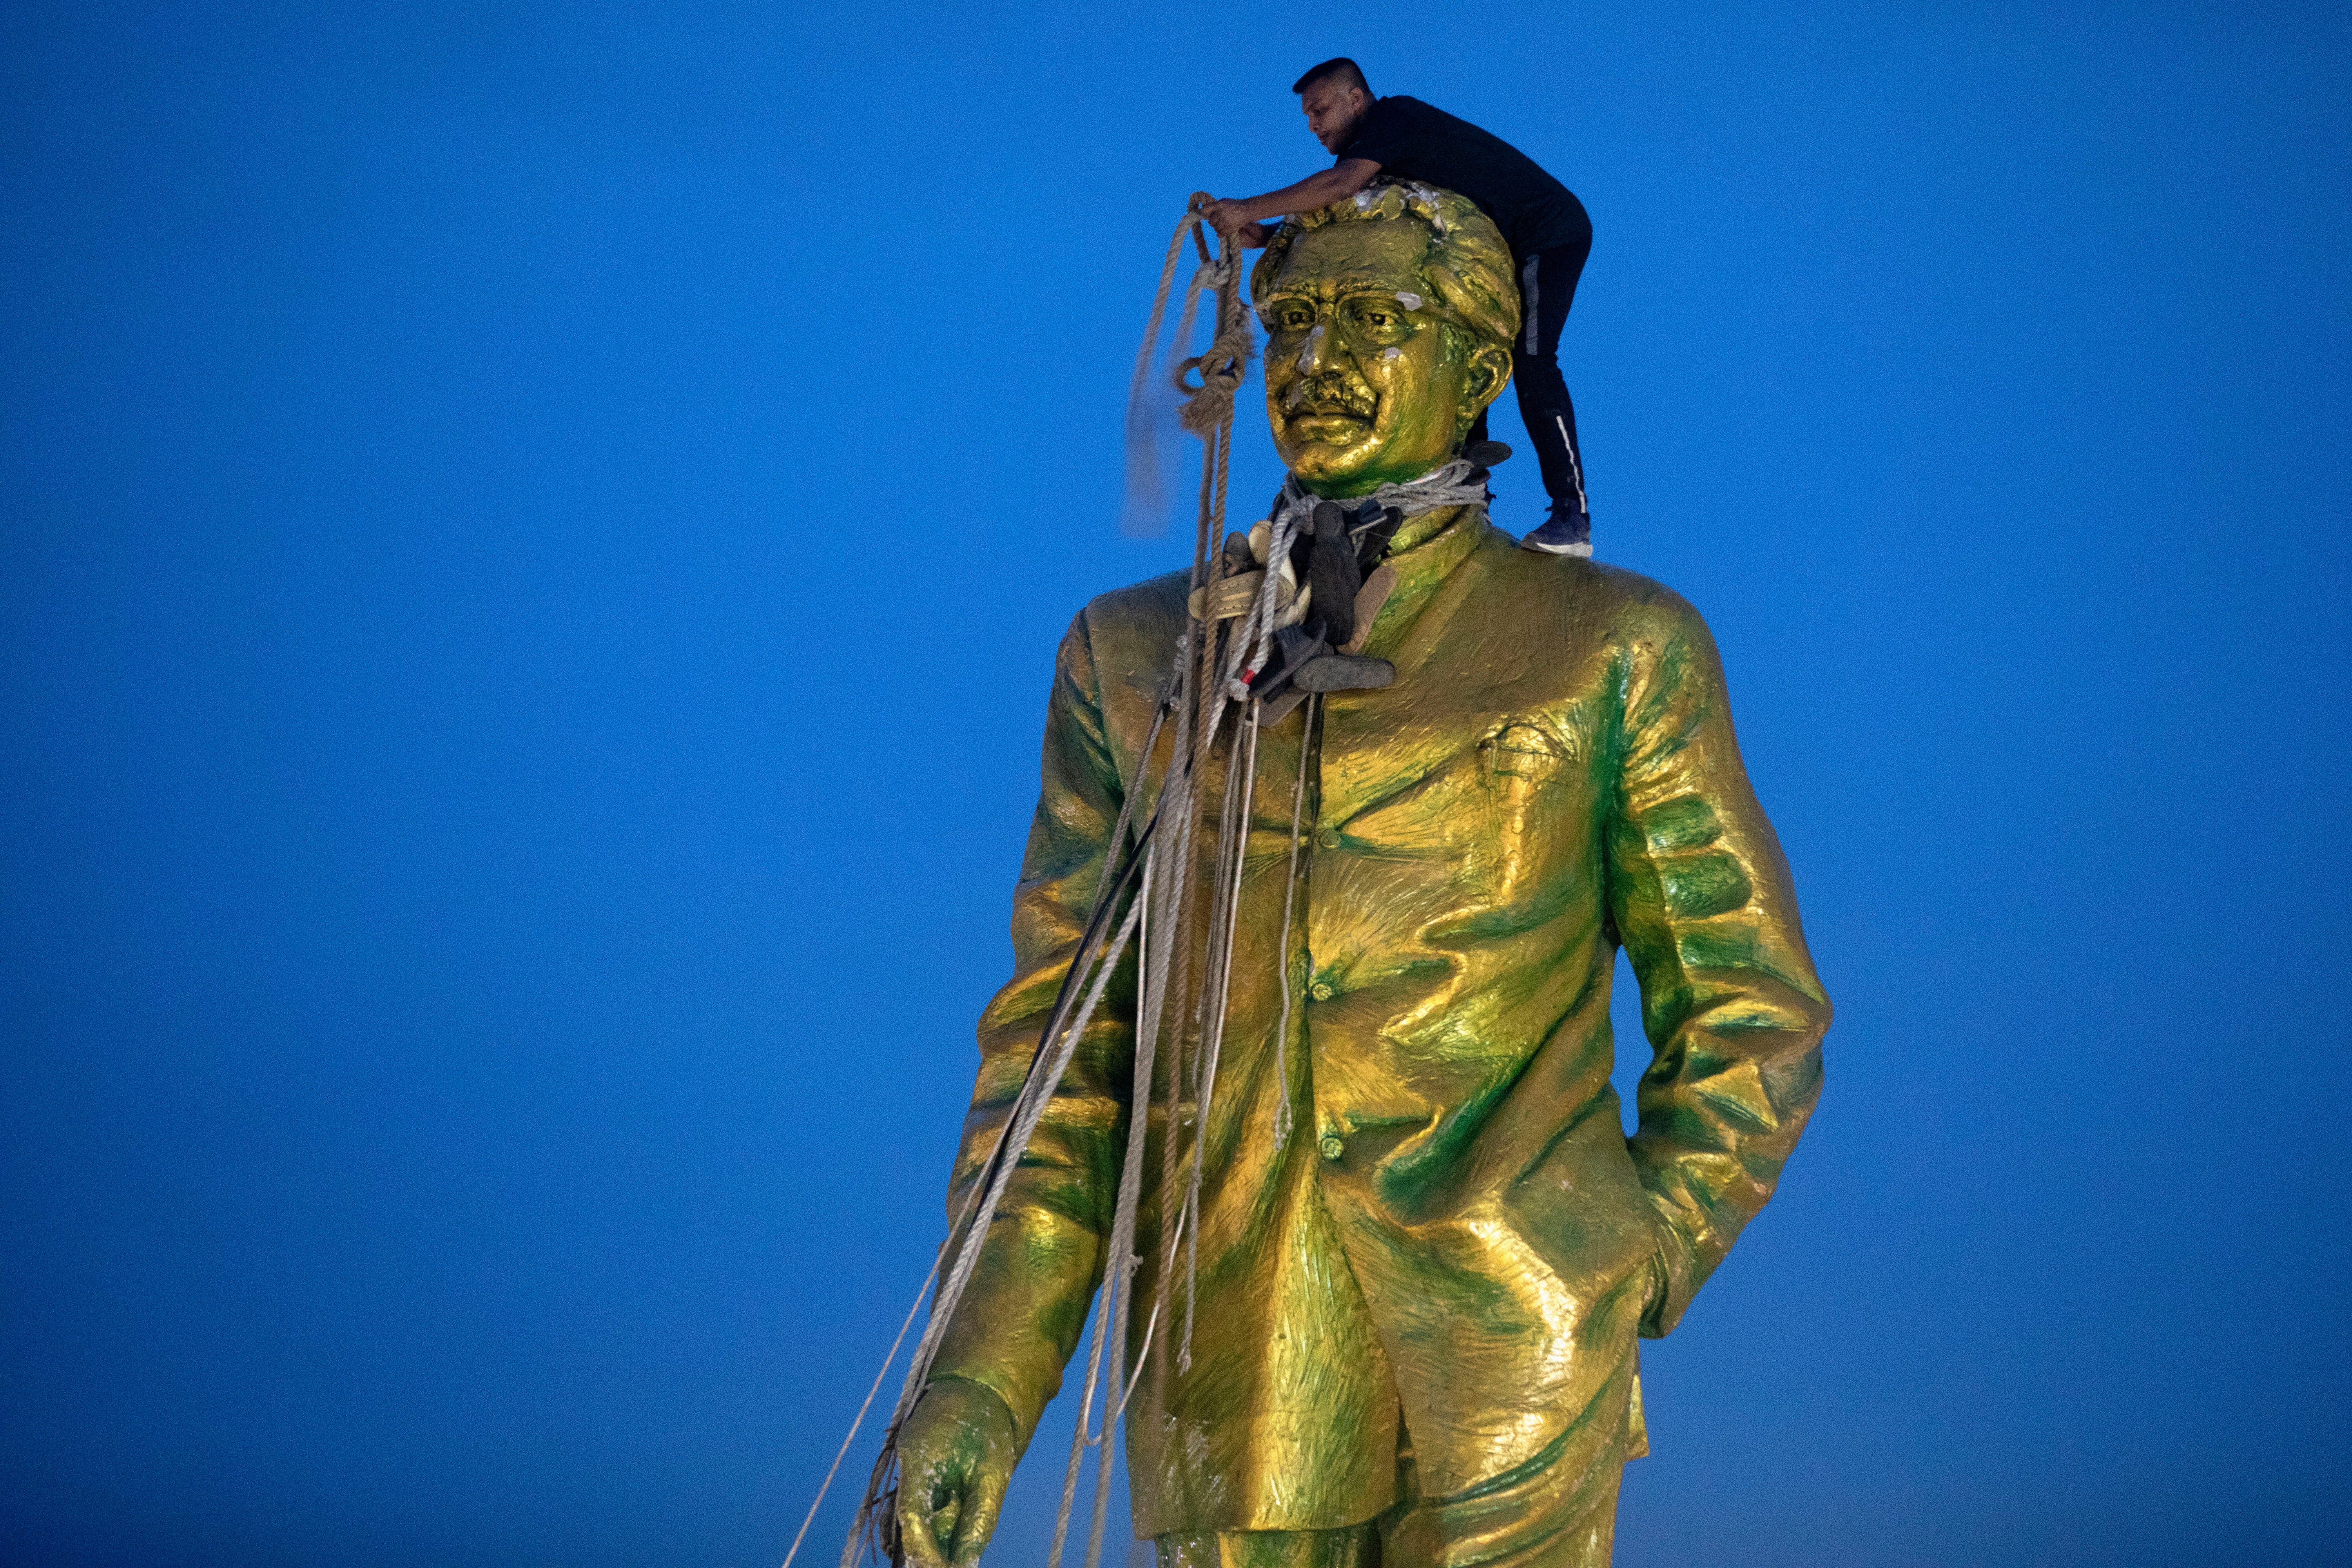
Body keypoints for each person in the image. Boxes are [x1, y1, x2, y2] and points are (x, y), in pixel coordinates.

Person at [891, 183, 1829, 1568]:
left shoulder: (1612, 644)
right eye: (1295, 323)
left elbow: (1752, 1009)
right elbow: (1062, 1060)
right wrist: (975, 1380)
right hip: (1231, 1372)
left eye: (1377, 319)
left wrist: (1626, 1256)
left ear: (1475, 364)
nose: (1320, 360)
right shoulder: (1133, 656)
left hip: (1520, 1373)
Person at [1200, 58, 1598, 556]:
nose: (1314, 125)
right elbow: (1366, 214)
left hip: (1547, 234)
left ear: (1355, 99)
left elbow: (1341, 187)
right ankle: (1469, 494)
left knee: (1532, 362)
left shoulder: (1395, 121)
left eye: (1320, 110)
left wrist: (1248, 208)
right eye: (1307, 117)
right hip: (1498, 238)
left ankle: (1571, 515)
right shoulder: (1379, 158)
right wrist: (1265, 236)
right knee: (1456, 355)